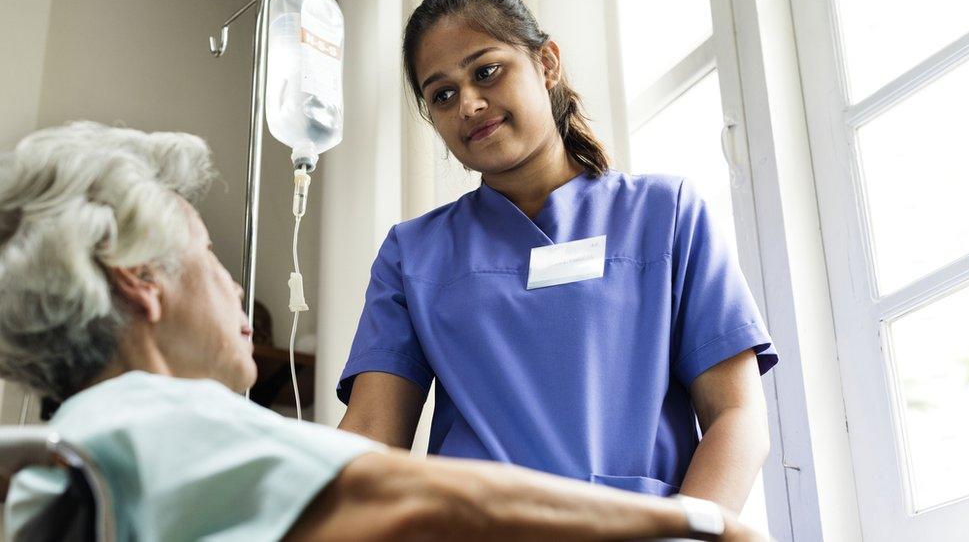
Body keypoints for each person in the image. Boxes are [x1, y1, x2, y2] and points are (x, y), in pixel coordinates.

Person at [0, 122, 766, 540]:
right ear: (138, 278)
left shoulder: (86, 440)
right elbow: (398, 494)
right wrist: (695, 520)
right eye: (208, 253)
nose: (234, 283)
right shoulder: (154, 417)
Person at [338, 0, 778, 514]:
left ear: (547, 63)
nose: (469, 106)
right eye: (443, 95)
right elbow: (371, 432)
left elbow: (736, 417)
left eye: (487, 71)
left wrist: (686, 533)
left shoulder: (666, 215)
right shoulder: (412, 255)